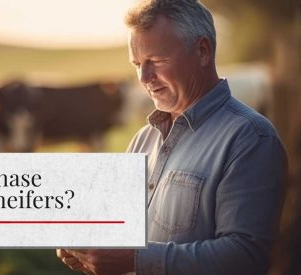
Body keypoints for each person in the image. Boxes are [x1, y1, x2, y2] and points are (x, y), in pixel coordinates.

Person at [56, 0, 287, 274]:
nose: (144, 77)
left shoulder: (250, 138)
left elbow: (246, 257)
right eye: (137, 63)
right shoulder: (142, 140)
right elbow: (122, 233)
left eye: (156, 61)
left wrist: (133, 260)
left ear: (202, 51)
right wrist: (88, 246)